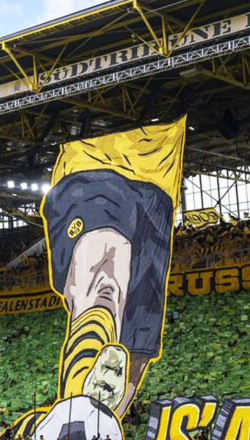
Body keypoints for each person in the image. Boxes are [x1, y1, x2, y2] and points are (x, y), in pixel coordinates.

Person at [42, 118, 186, 418]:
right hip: (95, 165)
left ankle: (98, 421)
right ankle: (77, 392)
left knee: (138, 347)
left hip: (159, 186)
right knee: (104, 277)